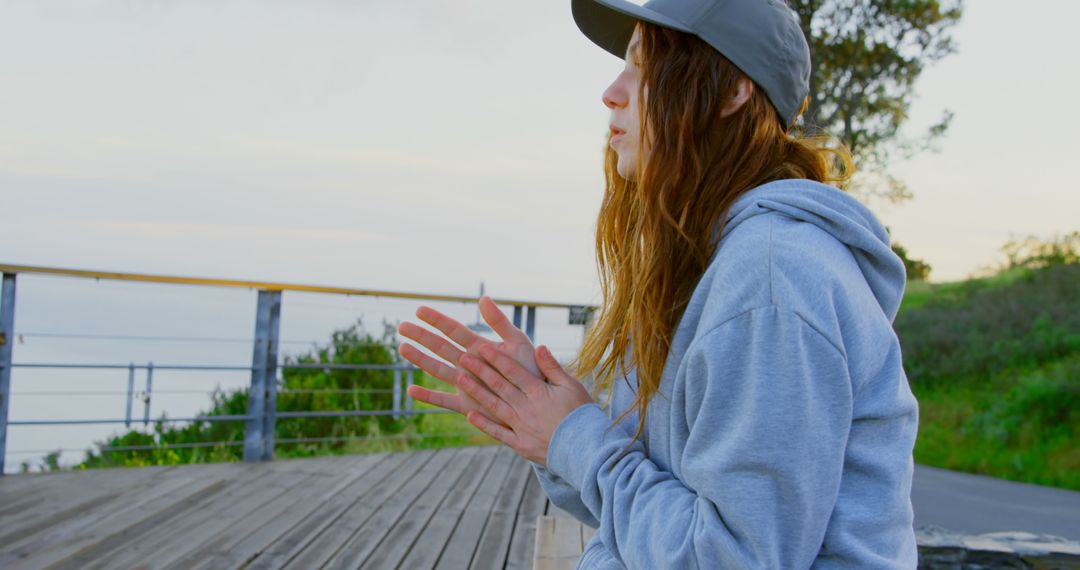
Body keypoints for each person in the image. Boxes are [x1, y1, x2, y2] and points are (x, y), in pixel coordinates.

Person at [397, 0, 920, 567]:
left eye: (642, 69)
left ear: (730, 93)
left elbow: (732, 558)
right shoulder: (707, 264)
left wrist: (576, 437)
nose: (611, 93)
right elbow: (638, 510)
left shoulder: (770, 281)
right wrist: (545, 422)